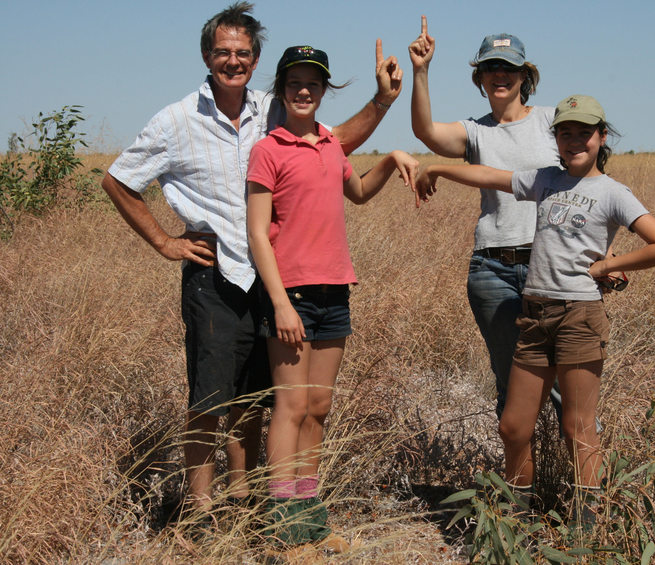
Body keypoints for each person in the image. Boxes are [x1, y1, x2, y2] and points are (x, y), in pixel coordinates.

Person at [101, 1, 403, 525]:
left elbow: (329, 143)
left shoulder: (273, 107)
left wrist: (382, 102)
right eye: (223, 52)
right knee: (210, 397)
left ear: (256, 58)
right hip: (216, 273)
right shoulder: (176, 119)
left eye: (242, 52)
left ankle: (244, 504)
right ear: (206, 55)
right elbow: (118, 179)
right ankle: (199, 514)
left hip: (272, 277)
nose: (233, 61)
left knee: (256, 399)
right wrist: (165, 242)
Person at [417, 94, 655, 527]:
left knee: (578, 429)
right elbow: (491, 175)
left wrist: (608, 265)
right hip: (535, 316)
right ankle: (515, 527)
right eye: (565, 132)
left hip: (579, 316)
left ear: (602, 137)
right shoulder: (546, 180)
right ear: (554, 138)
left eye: (584, 132)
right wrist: (439, 167)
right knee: (513, 427)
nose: (574, 140)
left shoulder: (613, 192)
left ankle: (585, 534)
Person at [246, 45, 418, 550]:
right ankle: (283, 528)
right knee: (290, 406)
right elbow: (258, 233)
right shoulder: (268, 149)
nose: (304, 91)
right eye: (295, 83)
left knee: (318, 406)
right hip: (291, 293)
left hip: (334, 289)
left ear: (324, 91)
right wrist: (279, 302)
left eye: (313, 84)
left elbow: (359, 192)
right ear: (282, 90)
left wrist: (389, 159)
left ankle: (310, 517)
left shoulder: (329, 145)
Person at [408, 17, 564, 421]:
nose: (500, 75)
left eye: (509, 67)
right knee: (511, 384)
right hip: (492, 269)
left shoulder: (552, 121)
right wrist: (421, 72)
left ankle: (585, 482)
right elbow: (426, 132)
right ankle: (516, 484)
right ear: (479, 76)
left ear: (524, 75)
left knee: (566, 383)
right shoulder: (475, 132)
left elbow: (589, 185)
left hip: (550, 265)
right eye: (492, 67)